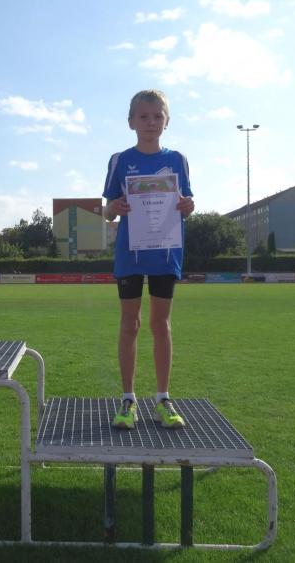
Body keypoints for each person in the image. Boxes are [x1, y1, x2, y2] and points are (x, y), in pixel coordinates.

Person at [102, 89, 194, 430]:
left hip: (165, 253)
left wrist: (188, 206)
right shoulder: (119, 160)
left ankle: (163, 398)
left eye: (157, 116)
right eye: (143, 116)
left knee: (160, 324)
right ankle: (128, 400)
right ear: (131, 122)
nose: (151, 122)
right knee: (130, 324)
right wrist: (114, 207)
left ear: (166, 122)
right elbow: (108, 211)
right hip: (131, 253)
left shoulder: (178, 160)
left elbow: (186, 205)